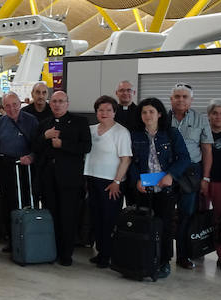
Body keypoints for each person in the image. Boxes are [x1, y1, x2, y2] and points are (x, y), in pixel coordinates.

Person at [128, 97, 191, 279]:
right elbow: (129, 160)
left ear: (159, 114)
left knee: (164, 227)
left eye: (151, 112)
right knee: (144, 225)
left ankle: (163, 261)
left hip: (165, 189)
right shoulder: (135, 135)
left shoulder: (171, 133)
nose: (148, 115)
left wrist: (171, 175)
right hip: (143, 188)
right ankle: (144, 258)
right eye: (144, 112)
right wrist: (135, 180)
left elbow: (184, 158)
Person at [33, 91, 92, 266]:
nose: (57, 104)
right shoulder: (44, 124)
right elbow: (35, 146)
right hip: (48, 178)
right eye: (54, 102)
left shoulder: (79, 122)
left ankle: (66, 254)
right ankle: (52, 250)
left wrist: (63, 144)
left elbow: (86, 146)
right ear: (50, 104)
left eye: (61, 101)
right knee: (52, 216)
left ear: (67, 103)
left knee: (68, 216)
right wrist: (45, 136)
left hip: (69, 179)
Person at [83, 95, 132, 268]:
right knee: (96, 218)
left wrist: (117, 181)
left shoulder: (121, 132)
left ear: (114, 112)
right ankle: (101, 251)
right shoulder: (91, 129)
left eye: (108, 110)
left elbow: (126, 159)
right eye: (100, 110)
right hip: (92, 179)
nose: (104, 113)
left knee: (109, 219)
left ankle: (108, 255)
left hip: (111, 183)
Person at [169, 83, 213, 269]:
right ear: (171, 99)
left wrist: (206, 178)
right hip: (168, 172)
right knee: (166, 214)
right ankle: (163, 255)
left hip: (191, 173)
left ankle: (183, 256)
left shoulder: (200, 119)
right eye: (177, 96)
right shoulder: (162, 118)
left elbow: (207, 150)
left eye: (184, 97)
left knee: (187, 215)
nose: (181, 100)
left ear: (191, 100)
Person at [0, 92, 39, 252]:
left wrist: (32, 156)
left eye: (15, 104)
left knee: (26, 202)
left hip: (25, 168)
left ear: (20, 104)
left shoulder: (31, 121)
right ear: (4, 107)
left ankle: (28, 238)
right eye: (7, 106)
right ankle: (12, 240)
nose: (12, 109)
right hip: (5, 166)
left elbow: (38, 145)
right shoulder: (0, 123)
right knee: (8, 203)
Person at [204, 99, 221, 267]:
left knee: (220, 218)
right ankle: (197, 248)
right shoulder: (203, 131)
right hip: (203, 181)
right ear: (209, 115)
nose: (218, 117)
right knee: (199, 215)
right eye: (215, 113)